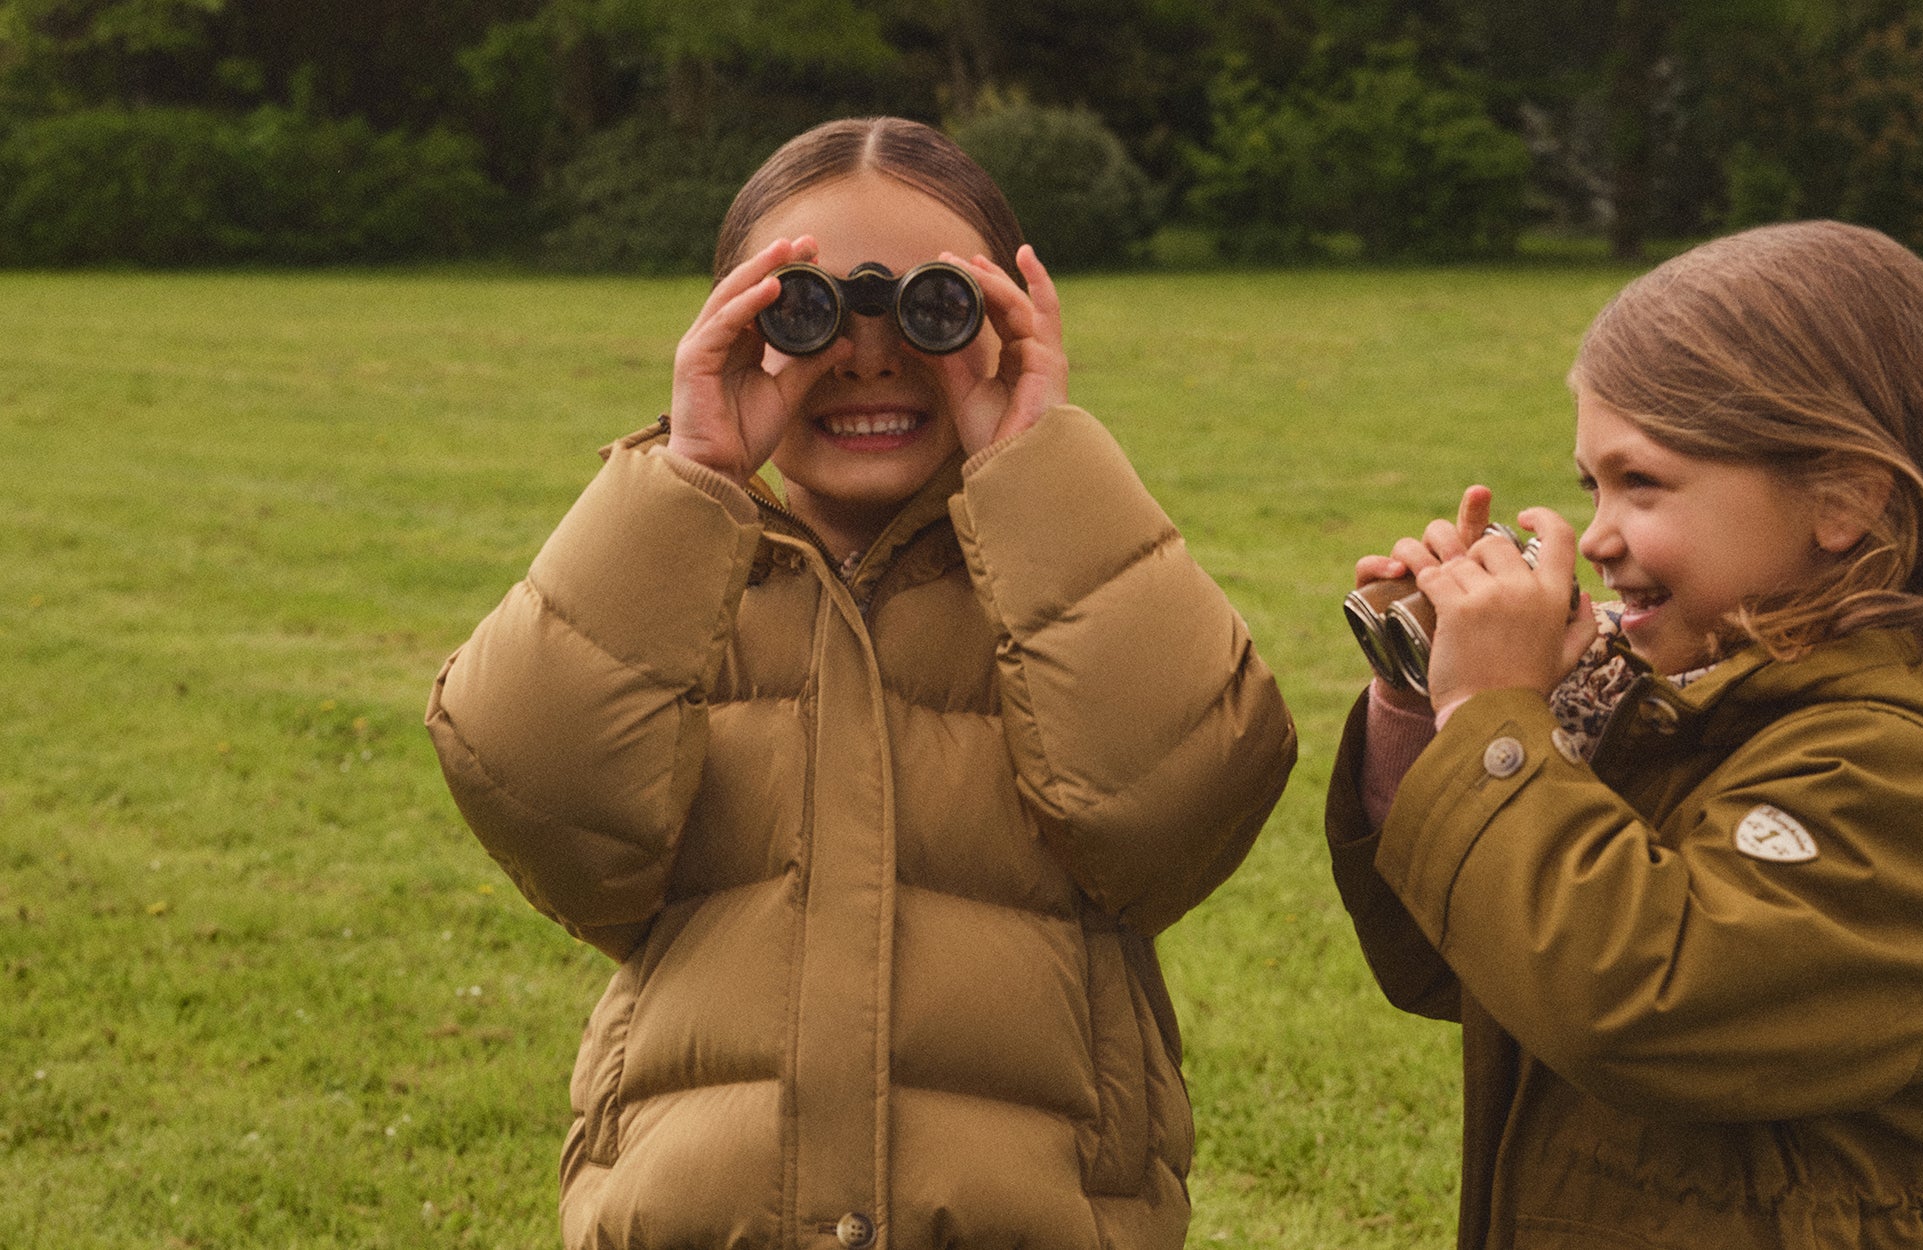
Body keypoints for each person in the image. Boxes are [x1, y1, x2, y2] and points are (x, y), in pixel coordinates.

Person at [425, 116, 1297, 1250]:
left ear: (1008, 321)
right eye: (808, 310)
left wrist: (1036, 466)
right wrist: (686, 478)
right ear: (732, 326)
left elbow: (1176, 811)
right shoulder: (679, 588)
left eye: (934, 309)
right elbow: (544, 803)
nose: (872, 354)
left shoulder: (1057, 582)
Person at [1326, 220, 1923, 1249]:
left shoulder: (1894, 766)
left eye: (1641, 483)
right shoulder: (1676, 707)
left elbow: (1633, 1000)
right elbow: (1457, 959)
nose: (1596, 537)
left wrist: (1492, 721)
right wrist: (1422, 704)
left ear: (1841, 498)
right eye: (1588, 486)